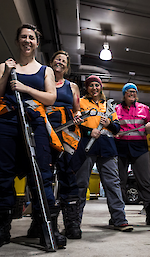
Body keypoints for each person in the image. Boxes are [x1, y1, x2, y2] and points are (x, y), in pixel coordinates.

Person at [0, 24, 66, 248]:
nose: (27, 41)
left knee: (41, 175)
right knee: (3, 175)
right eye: (23, 37)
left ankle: (46, 225)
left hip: (35, 123)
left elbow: (50, 98)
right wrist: (8, 73)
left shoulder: (45, 70)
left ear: (37, 43)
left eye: (31, 37)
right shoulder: (5, 66)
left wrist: (25, 88)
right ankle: (2, 227)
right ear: (18, 41)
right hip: (7, 123)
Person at [66, 75, 133, 232]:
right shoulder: (81, 103)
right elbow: (75, 124)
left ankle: (119, 219)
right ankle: (75, 221)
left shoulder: (108, 106)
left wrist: (109, 123)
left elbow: (117, 128)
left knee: (113, 184)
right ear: (86, 88)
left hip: (107, 148)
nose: (94, 88)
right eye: (91, 85)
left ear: (101, 87)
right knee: (81, 184)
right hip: (86, 147)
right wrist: (90, 132)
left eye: (97, 85)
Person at [40, 50, 82, 239]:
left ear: (67, 66)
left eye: (63, 61)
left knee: (68, 177)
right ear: (51, 62)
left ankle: (72, 224)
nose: (60, 62)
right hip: (46, 132)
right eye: (57, 59)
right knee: (44, 177)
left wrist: (79, 116)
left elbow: (77, 110)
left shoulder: (72, 86)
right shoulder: (42, 80)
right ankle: (42, 222)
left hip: (66, 135)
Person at [115, 83, 150, 227]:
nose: (132, 94)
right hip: (121, 147)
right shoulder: (116, 109)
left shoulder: (144, 108)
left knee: (144, 181)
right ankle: (118, 215)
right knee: (120, 181)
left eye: (134, 92)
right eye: (129, 92)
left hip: (139, 147)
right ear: (124, 94)